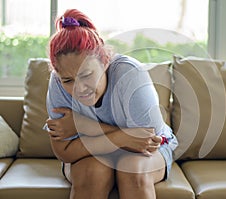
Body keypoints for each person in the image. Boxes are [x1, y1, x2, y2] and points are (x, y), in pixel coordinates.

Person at [44, 9, 178, 199]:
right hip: (93, 155)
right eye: (68, 80)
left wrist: (83, 125)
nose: (79, 88)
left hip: (152, 149)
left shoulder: (130, 74)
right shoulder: (57, 81)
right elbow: (64, 152)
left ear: (105, 61)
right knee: (91, 173)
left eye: (86, 75)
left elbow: (145, 140)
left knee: (133, 170)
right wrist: (122, 137)